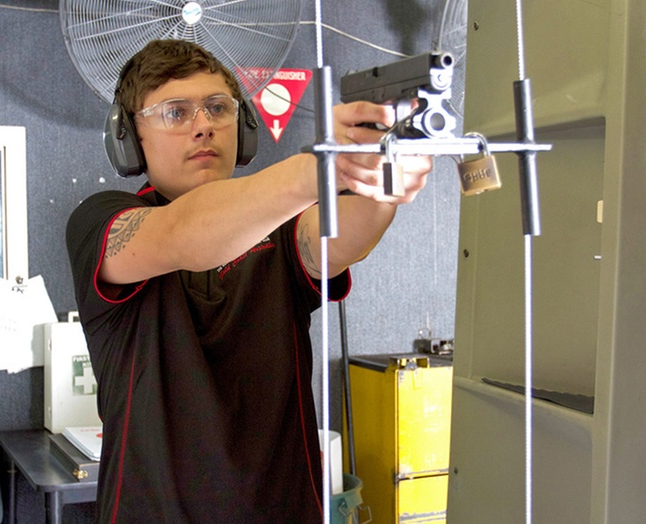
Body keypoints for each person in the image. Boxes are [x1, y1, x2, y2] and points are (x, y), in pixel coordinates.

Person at [66, 39, 432, 523]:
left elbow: (342, 240)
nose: (204, 125)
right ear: (130, 139)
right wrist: (321, 167)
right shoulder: (102, 221)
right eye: (175, 113)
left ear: (241, 126)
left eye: (218, 108)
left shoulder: (282, 223)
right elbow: (184, 234)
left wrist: (385, 167)